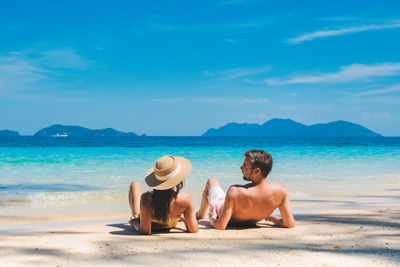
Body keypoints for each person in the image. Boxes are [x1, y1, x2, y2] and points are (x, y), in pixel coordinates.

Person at [196, 149, 295, 230]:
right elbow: (289, 223)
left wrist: (212, 217)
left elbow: (221, 226)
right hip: (253, 219)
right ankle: (200, 213)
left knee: (211, 181)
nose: (241, 168)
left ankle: (200, 214)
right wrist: (275, 219)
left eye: (245, 166)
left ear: (256, 171)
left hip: (222, 210)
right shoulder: (281, 191)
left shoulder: (235, 192)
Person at [128, 155, 198, 235]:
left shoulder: (146, 199)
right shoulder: (186, 198)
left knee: (134, 184)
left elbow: (145, 231)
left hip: (150, 225)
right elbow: (194, 229)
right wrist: (186, 220)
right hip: (171, 225)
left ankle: (135, 216)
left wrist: (134, 223)